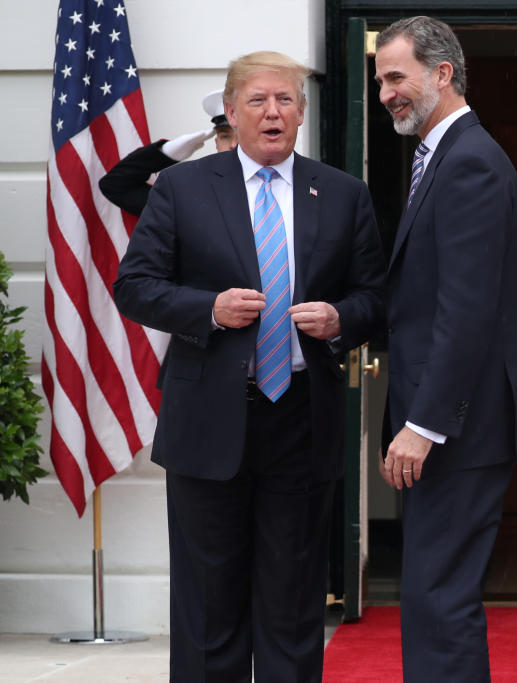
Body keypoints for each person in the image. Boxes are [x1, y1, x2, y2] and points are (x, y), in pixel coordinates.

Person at [113, 51, 385, 681]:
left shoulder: (342, 194)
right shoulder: (183, 188)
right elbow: (136, 286)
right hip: (208, 417)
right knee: (210, 605)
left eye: (285, 100)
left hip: (301, 415)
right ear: (231, 112)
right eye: (258, 101)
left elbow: (376, 297)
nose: (272, 112)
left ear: (302, 112)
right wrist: (207, 307)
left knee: (293, 604)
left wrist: (341, 318)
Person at [373, 16, 517, 682]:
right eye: (381, 80)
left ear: (441, 73)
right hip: (456, 423)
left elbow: (466, 311)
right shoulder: (440, 155)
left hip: (461, 427)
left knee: (439, 596)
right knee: (432, 594)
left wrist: (422, 424)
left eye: (397, 77)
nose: (387, 92)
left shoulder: (470, 160)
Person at [99, 88, 238, 216]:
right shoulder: (194, 195)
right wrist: (166, 152)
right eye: (225, 136)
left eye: (242, 135)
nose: (233, 145)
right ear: (216, 142)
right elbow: (115, 185)